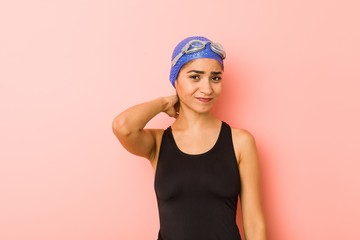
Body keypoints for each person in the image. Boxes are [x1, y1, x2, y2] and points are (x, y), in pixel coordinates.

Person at [112, 36, 266, 240]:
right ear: (175, 80)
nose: (207, 88)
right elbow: (123, 126)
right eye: (195, 77)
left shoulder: (240, 141)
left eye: (216, 78)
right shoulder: (157, 144)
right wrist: (164, 103)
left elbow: (254, 223)